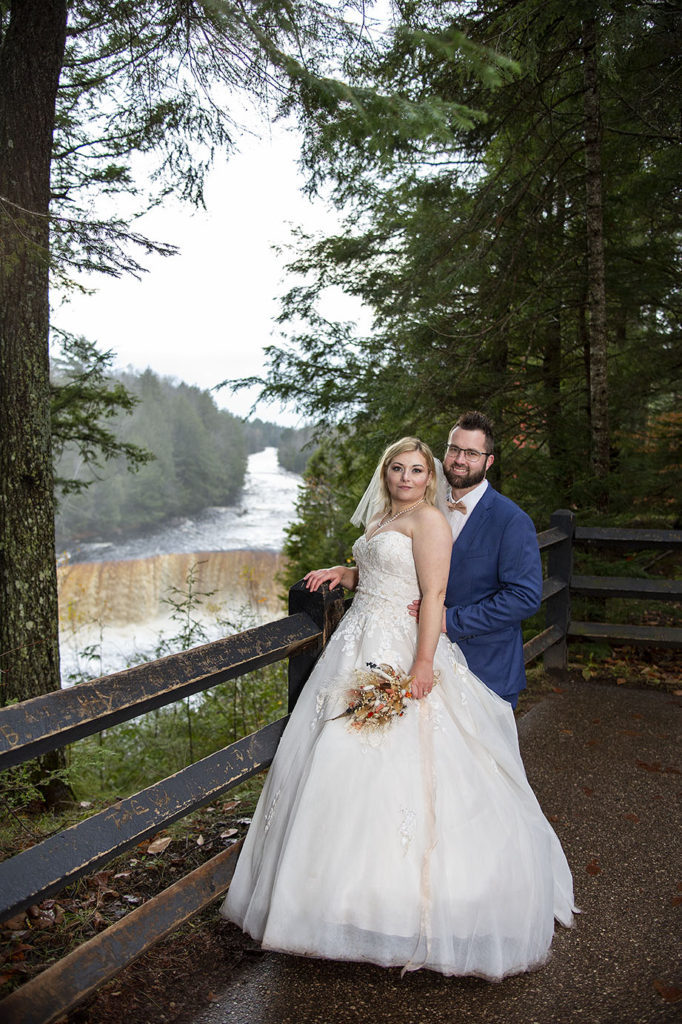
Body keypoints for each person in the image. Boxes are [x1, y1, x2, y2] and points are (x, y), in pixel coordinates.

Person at [221, 437, 575, 980]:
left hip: (399, 650)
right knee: (336, 763)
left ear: (427, 476)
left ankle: (402, 910)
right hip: (355, 645)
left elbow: (431, 594)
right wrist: (348, 573)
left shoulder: (430, 520)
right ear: (385, 472)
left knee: (399, 766)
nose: (406, 477)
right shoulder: (388, 516)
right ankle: (327, 903)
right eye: (396, 468)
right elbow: (390, 571)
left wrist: (423, 662)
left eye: (415, 469)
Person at [409, 411, 542, 708]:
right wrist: (348, 572)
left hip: (486, 668)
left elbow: (524, 597)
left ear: (488, 461)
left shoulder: (511, 520)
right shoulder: (426, 508)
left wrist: (449, 620)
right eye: (454, 449)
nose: (459, 459)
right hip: (425, 661)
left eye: (471, 453)